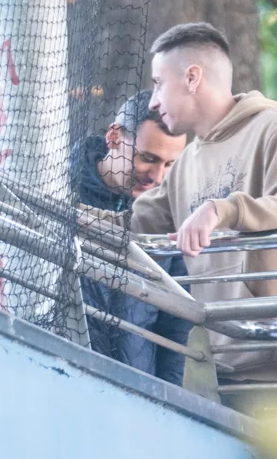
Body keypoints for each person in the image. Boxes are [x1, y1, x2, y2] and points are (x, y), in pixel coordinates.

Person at [130, 23, 277, 385]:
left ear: (192, 77)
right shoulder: (187, 161)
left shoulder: (273, 127)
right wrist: (68, 215)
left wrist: (223, 209)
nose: (153, 101)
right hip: (221, 364)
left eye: (159, 83)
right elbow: (134, 222)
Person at [73, 90, 191, 383]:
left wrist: (168, 396)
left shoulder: (170, 212)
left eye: (169, 164)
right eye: (148, 158)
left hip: (137, 387)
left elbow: (175, 325)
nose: (157, 176)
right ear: (114, 137)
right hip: (57, 372)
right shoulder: (58, 185)